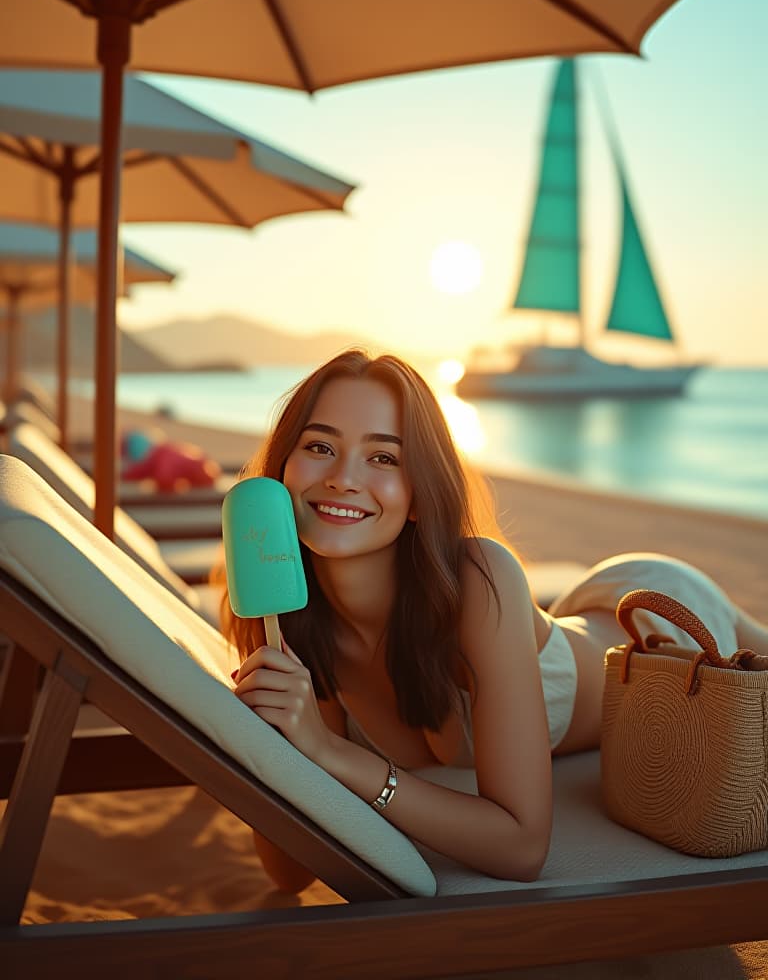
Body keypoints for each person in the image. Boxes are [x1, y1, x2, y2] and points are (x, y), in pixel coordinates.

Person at [220, 348, 768, 891]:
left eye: (383, 457)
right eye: (319, 446)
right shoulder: (288, 625)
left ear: (418, 495)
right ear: (281, 472)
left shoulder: (478, 578)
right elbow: (288, 872)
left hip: (657, 626)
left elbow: (522, 848)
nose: (342, 478)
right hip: (579, 615)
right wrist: (275, 745)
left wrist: (329, 752)